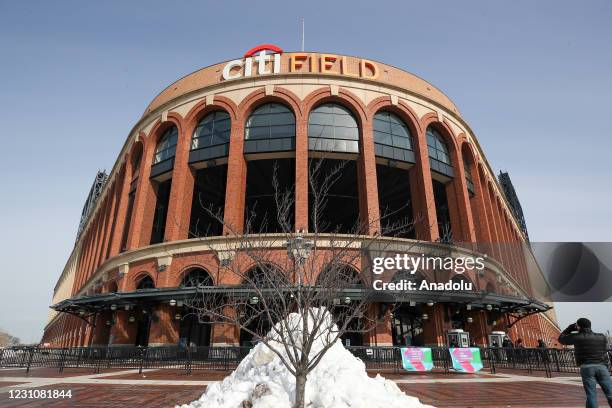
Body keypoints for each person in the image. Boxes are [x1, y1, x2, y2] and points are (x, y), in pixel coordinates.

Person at [558, 318, 612, 408]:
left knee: (591, 395)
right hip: (602, 367)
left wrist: (570, 328)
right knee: (610, 393)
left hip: (587, 368)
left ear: (578, 326)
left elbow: (561, 339)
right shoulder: (601, 336)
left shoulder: (576, 337)